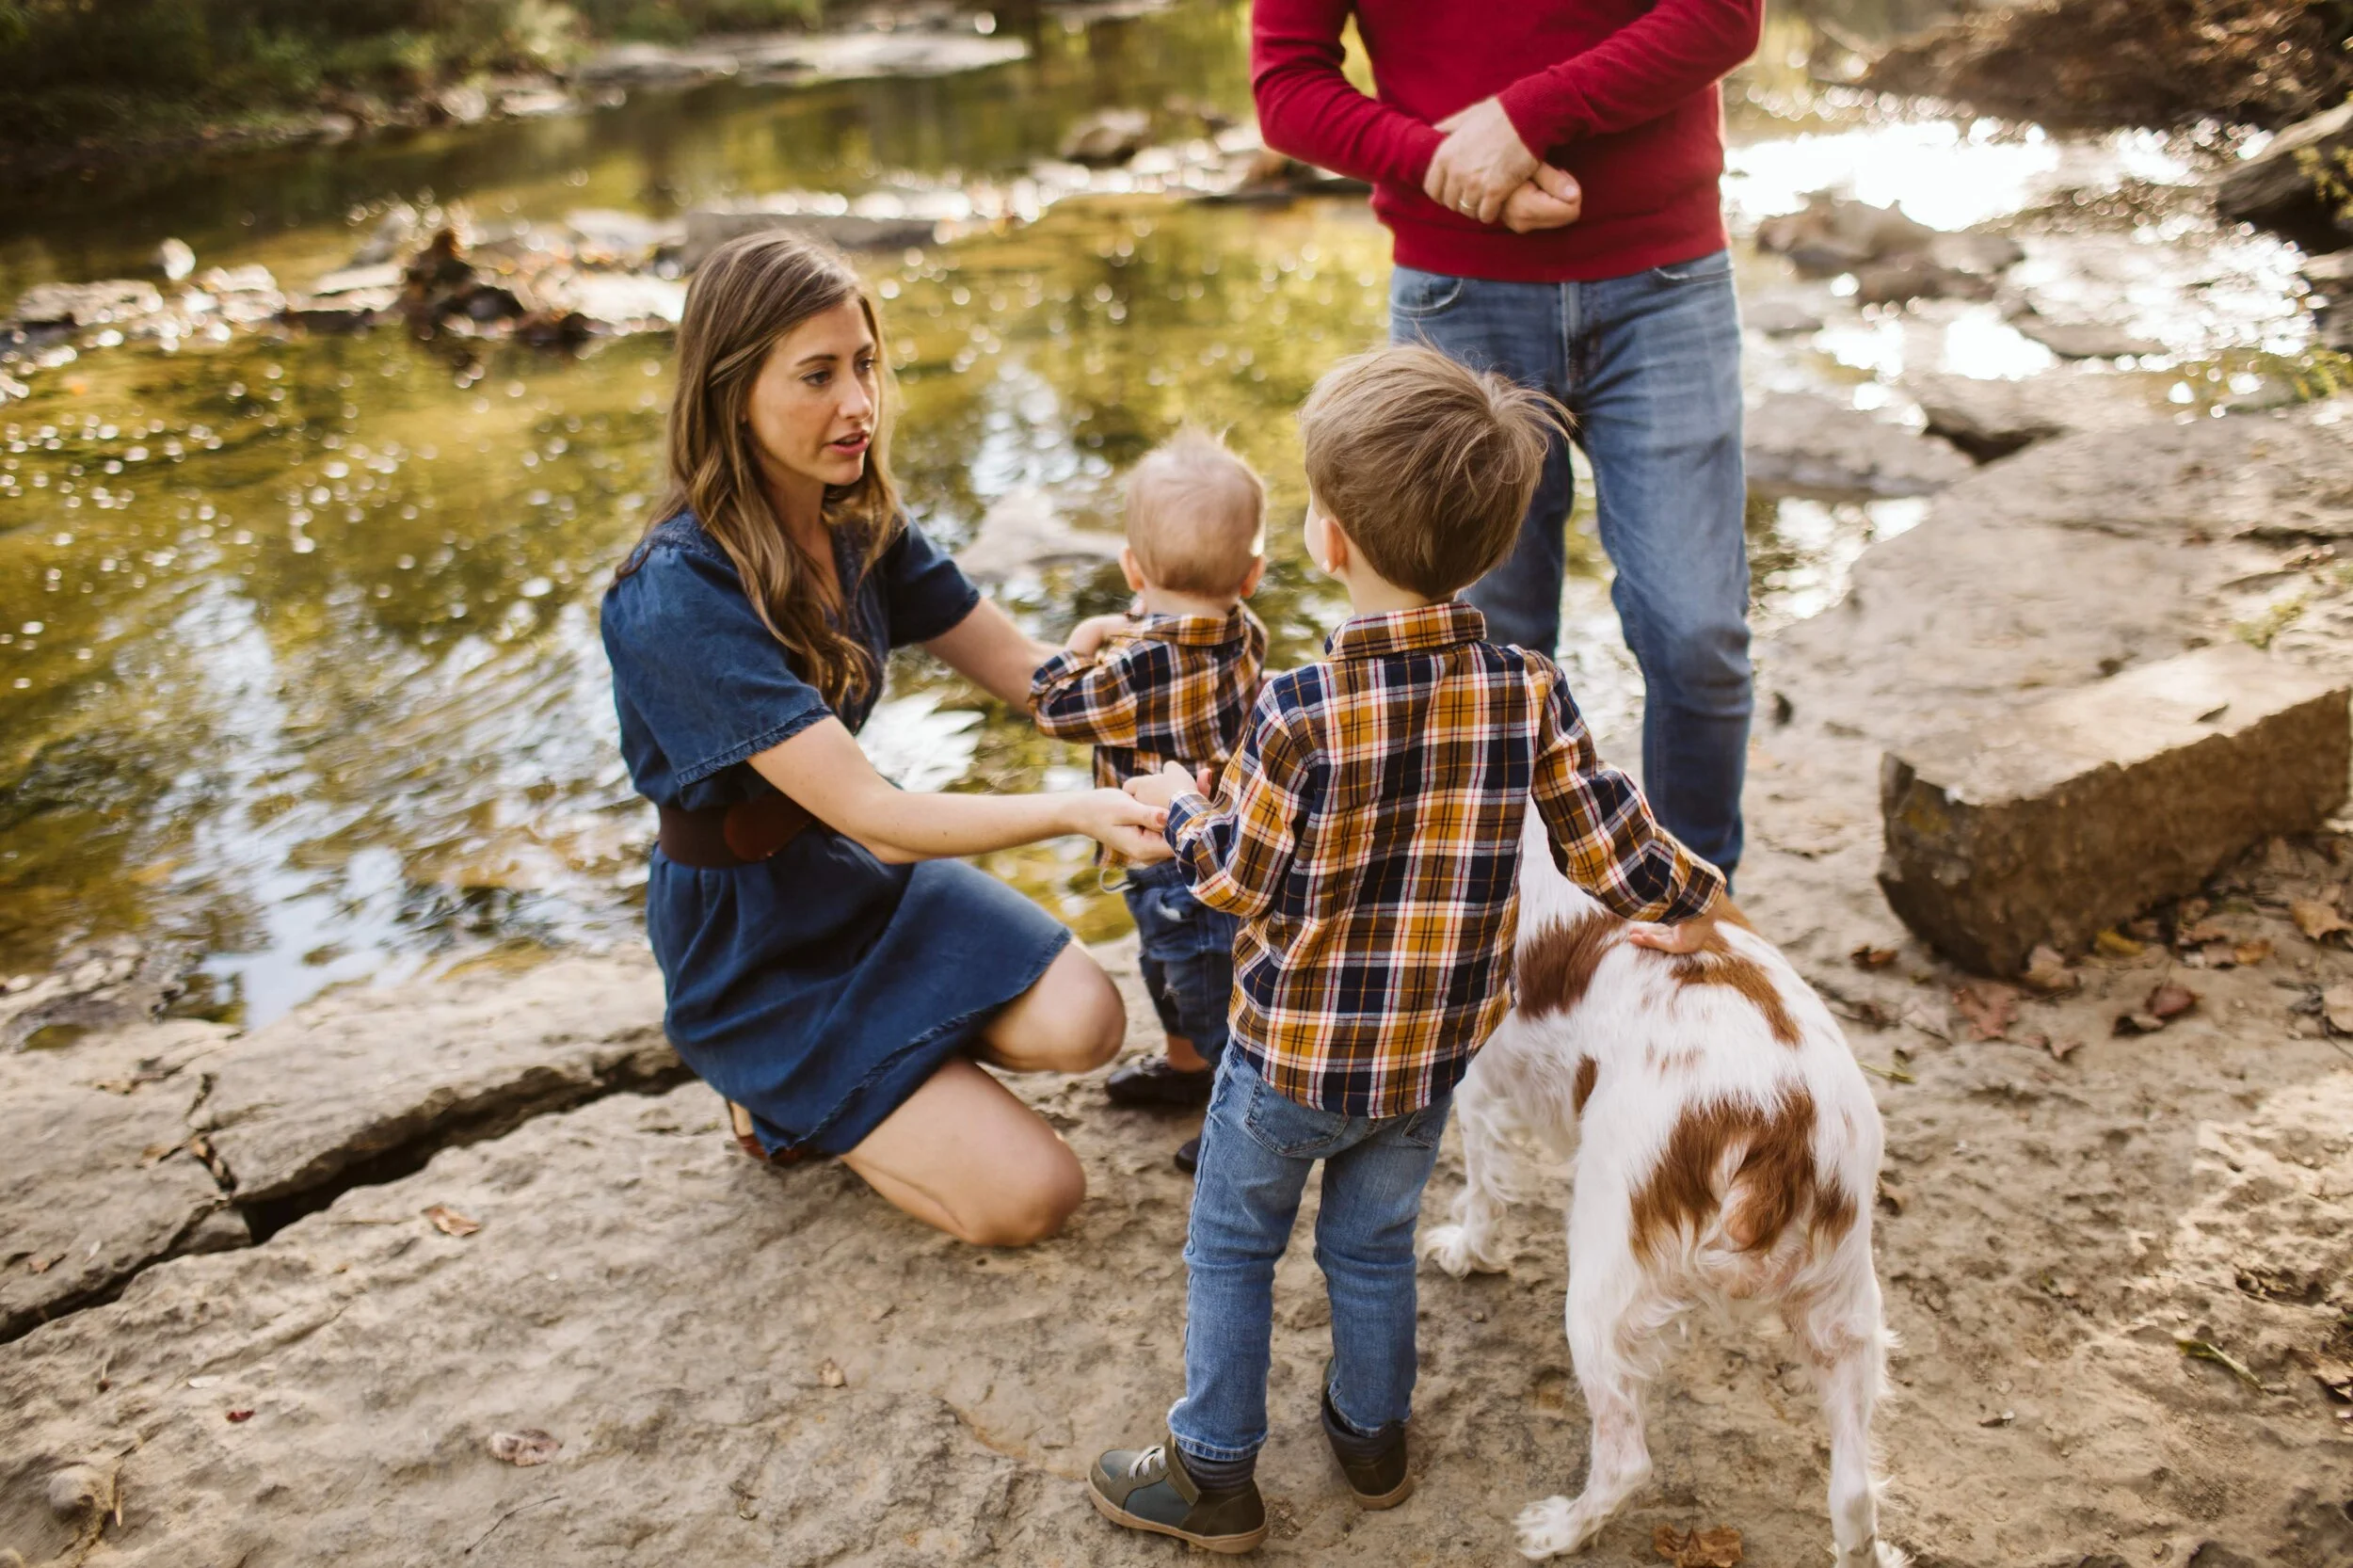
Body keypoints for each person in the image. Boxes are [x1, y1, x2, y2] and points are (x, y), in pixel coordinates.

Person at [1085, 345, 1727, 1551]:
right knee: (1371, 1244)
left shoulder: (1295, 707)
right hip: (1429, 1057)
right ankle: (1369, 1435)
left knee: (1231, 1246)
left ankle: (1214, 1467)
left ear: (1327, 542)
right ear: (1491, 545)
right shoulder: (1526, 687)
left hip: (1287, 1061)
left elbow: (1234, 881)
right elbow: (1606, 836)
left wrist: (1177, 803)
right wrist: (1694, 896)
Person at [599, 232, 1167, 1248]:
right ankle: (782, 1092)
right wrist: (1079, 809)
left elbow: (1034, 681)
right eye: (817, 376)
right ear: (732, 392)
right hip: (754, 941)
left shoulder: (861, 525)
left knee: (1088, 1022)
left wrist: (1125, 663)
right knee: (1033, 1201)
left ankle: (881, 1077)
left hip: (852, 876)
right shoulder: (672, 595)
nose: (857, 405)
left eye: (863, 364)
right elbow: (875, 811)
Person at [1253, 0, 1765, 877]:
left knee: (1697, 635)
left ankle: (1695, 899)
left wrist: (1526, 119)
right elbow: (1287, 86)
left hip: (1665, 281)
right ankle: (1513, 908)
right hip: (1459, 291)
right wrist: (1447, 163)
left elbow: (1722, 16)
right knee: (1481, 640)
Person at [1031, 430, 1270, 1176]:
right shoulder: (1246, 630)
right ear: (1253, 573)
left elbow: (1052, 707)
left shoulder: (1132, 667)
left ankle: (1244, 1126)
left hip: (1161, 851)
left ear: (1132, 568)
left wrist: (1079, 642)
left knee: (1197, 984)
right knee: (1189, 970)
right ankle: (1187, 1071)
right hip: (1219, 837)